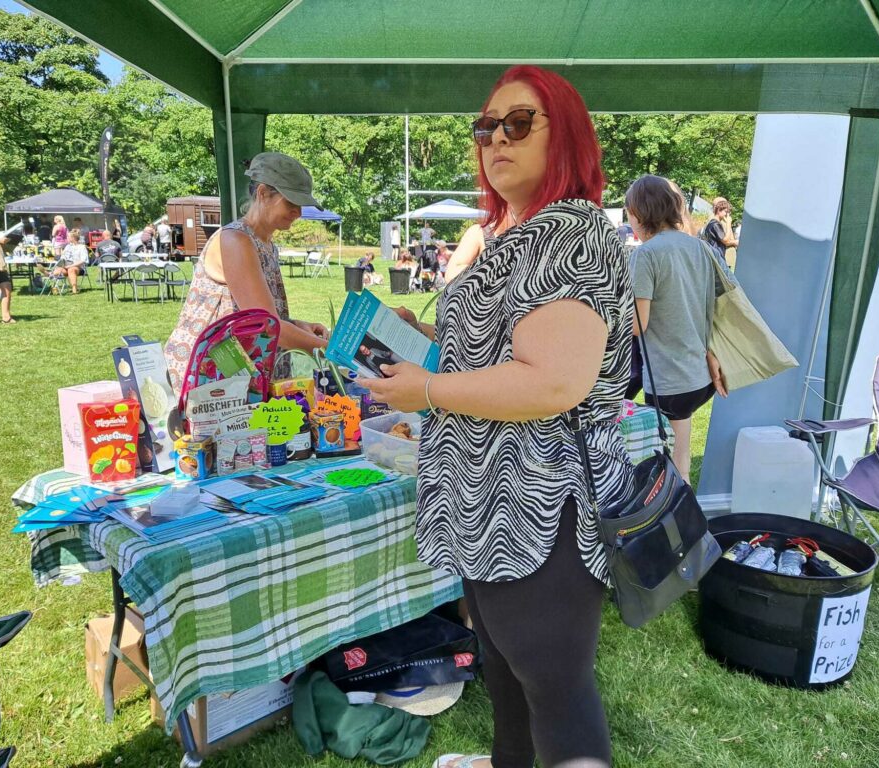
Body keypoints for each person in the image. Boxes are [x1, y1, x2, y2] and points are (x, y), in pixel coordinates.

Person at [360, 65, 631, 768]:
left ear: (565, 134)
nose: (495, 138)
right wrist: (419, 342)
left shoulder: (569, 231)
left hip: (539, 506)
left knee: (556, 692)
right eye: (486, 127)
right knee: (511, 681)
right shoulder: (518, 232)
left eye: (518, 123)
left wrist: (429, 391)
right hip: (492, 505)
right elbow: (490, 355)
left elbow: (552, 385)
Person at [164, 151, 331, 395]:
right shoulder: (235, 240)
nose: (298, 212)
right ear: (263, 193)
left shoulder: (266, 243)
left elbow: (254, 315)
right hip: (210, 377)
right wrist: (331, 350)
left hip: (238, 373)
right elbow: (268, 325)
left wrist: (297, 325)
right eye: (291, 203)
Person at [625, 175, 728, 482]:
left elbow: (637, 325)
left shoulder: (645, 255)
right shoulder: (700, 248)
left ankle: (682, 526)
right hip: (699, 375)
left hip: (669, 381)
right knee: (678, 457)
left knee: (672, 470)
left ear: (640, 213)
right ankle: (684, 523)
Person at [700, 197, 737, 272]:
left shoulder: (717, 222)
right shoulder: (715, 223)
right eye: (726, 211)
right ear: (719, 210)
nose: (727, 214)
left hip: (719, 258)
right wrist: (729, 224)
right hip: (716, 258)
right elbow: (725, 240)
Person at [48, 228, 89, 293]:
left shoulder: (82, 247)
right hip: (66, 266)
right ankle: (49, 274)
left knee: (71, 269)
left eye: (68, 237)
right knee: (58, 271)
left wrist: (70, 266)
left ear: (73, 238)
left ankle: (74, 289)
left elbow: (83, 260)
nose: (66, 237)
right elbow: (63, 258)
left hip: (78, 267)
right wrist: (62, 264)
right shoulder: (67, 246)